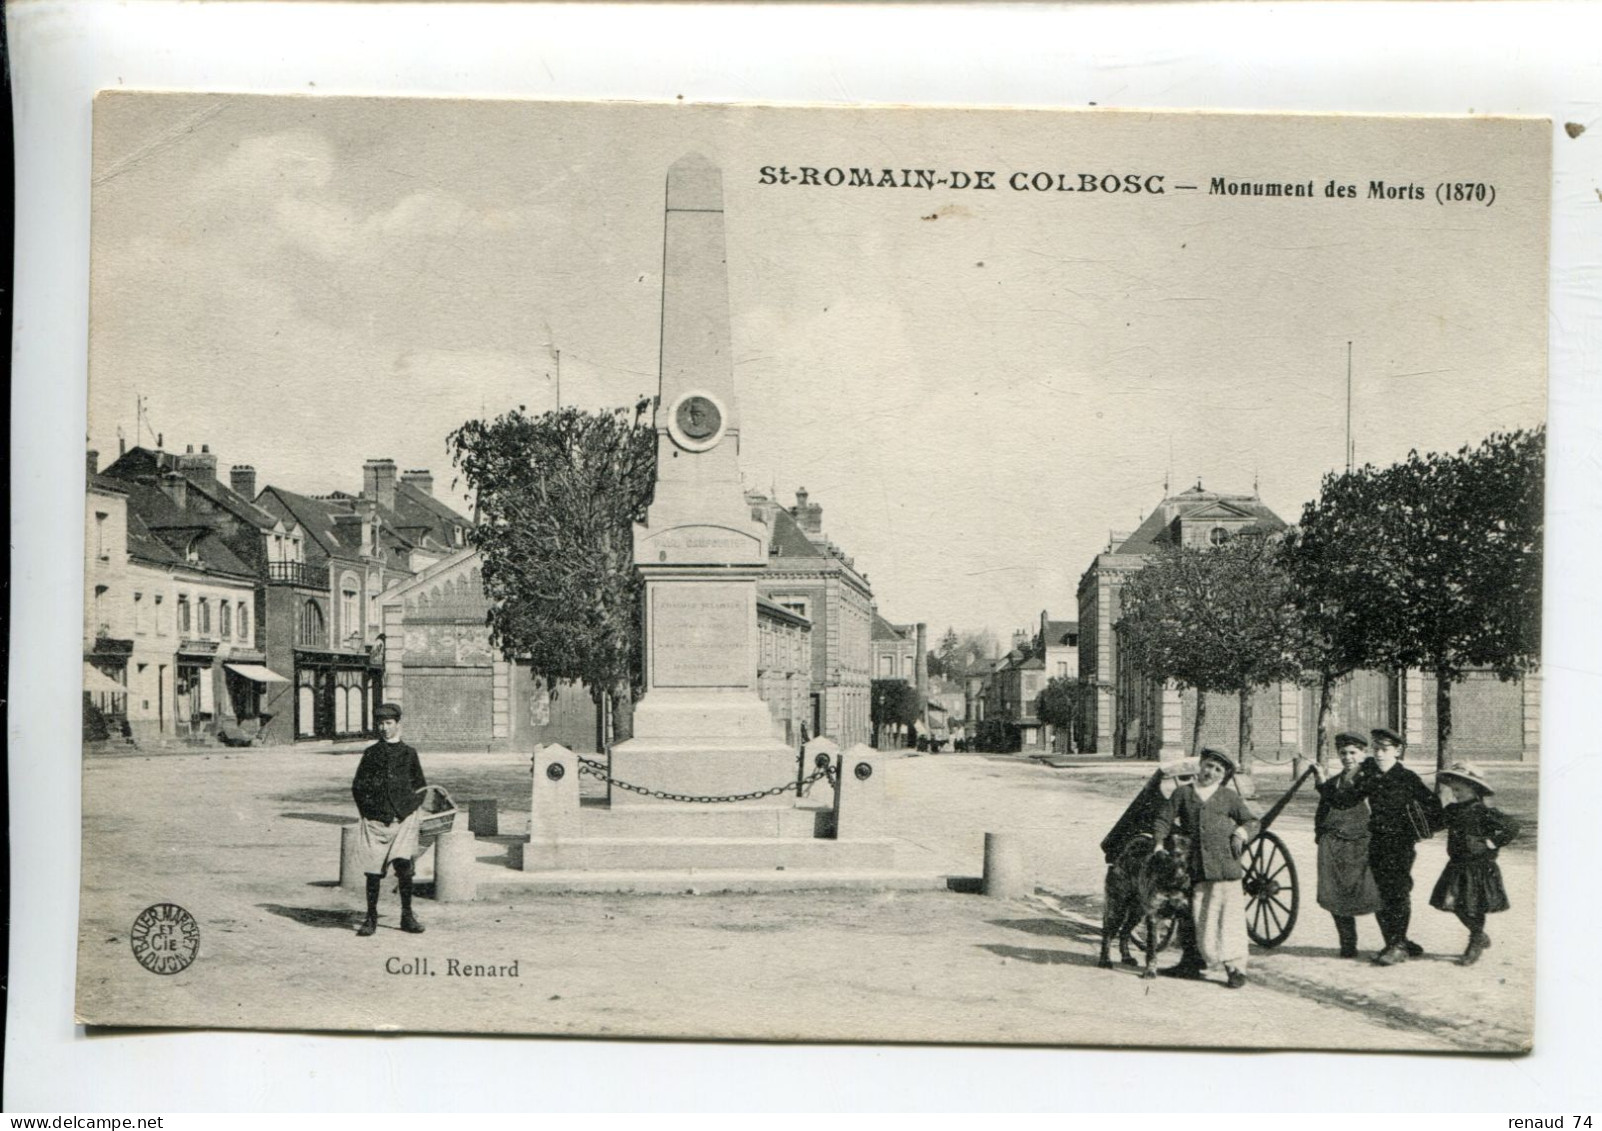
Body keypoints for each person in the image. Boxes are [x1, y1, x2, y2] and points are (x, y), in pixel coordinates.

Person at [1151, 748, 1260, 988]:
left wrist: (1241, 833)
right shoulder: (1183, 793)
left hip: (1225, 866)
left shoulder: (1228, 797)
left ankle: (1235, 969)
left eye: (1218, 770)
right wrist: (1159, 843)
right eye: (1209, 766)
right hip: (1196, 866)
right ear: (1200, 766)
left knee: (1229, 918)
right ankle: (1195, 962)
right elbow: (1163, 819)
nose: (1211, 772)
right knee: (1201, 916)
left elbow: (1252, 821)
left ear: (1223, 776)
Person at [1352, 726, 1443, 965]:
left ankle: (1398, 944)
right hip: (1377, 842)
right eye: (1376, 749)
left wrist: (1419, 831)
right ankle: (1393, 941)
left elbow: (1435, 809)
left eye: (1384, 749)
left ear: (1398, 751)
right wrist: (1324, 783)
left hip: (1400, 845)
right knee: (1380, 893)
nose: (1379, 754)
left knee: (1398, 892)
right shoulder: (1370, 776)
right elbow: (1346, 800)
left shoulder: (1407, 778)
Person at [1430, 763, 1519, 966]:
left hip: (1478, 866)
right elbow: (1436, 823)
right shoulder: (1452, 810)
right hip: (1457, 864)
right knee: (1454, 903)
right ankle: (1478, 934)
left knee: (1473, 906)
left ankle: (1475, 941)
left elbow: (1512, 826)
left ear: (1474, 789)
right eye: (1454, 790)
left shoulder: (1482, 811)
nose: (1455, 794)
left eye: (1459, 790)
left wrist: (1492, 842)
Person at [351, 702, 428, 937]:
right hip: (376, 822)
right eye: (380, 724)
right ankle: (371, 918)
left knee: (404, 868)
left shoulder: (409, 753)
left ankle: (407, 916)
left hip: (403, 820)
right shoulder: (371, 753)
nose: (384, 728)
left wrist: (410, 809)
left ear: (398, 724)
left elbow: (421, 786)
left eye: (389, 723)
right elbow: (358, 787)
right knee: (373, 872)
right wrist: (369, 812)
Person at [1310, 731, 1384, 958]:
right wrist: (1321, 836)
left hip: (1363, 844)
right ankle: (1348, 943)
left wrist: (1321, 784)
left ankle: (1394, 941)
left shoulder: (1371, 779)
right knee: (1336, 893)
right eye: (1343, 753)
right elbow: (1323, 811)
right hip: (1334, 846)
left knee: (1375, 893)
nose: (1347, 757)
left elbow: (1350, 801)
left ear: (1363, 753)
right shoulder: (1333, 783)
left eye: (1353, 752)